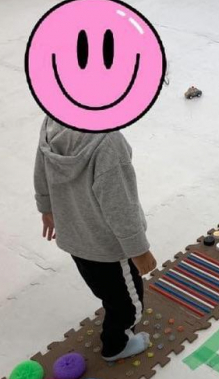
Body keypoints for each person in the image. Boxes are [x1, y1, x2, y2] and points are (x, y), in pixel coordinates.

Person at [34, 117, 156, 361]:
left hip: (74, 235)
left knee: (107, 291)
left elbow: (41, 167)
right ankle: (117, 345)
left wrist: (46, 207)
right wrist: (139, 250)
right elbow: (120, 206)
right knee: (130, 305)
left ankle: (113, 313)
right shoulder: (108, 142)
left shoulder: (53, 120)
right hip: (108, 247)